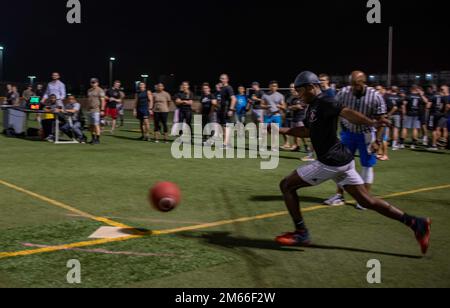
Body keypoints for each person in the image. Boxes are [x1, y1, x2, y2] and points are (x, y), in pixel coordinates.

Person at [276, 71, 431, 256]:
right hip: (342, 160)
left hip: (330, 162)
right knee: (367, 201)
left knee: (286, 185)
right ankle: (416, 223)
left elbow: (347, 113)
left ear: (311, 87)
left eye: (300, 91)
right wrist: (280, 129)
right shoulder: (312, 106)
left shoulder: (326, 101)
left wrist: (372, 123)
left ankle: (301, 233)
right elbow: (307, 132)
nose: (298, 95)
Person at [324, 71, 386, 210]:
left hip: (367, 135)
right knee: (341, 165)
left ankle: (365, 199)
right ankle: (339, 195)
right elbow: (334, 111)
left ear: (363, 82)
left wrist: (378, 141)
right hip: (348, 133)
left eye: (356, 84)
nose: (353, 87)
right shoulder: (344, 93)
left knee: (367, 165)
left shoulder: (375, 96)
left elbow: (382, 120)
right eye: (351, 84)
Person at [402, 85, 430, 150]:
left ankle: (402, 143)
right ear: (416, 89)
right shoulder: (419, 96)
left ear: (411, 89)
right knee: (415, 129)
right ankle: (413, 144)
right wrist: (422, 95)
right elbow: (426, 102)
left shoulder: (408, 95)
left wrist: (404, 113)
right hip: (417, 114)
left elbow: (404, 104)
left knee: (405, 128)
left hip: (409, 113)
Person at [261, 81, 286, 151]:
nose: (273, 87)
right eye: (272, 86)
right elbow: (261, 105)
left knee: (275, 131)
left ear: (277, 87)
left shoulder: (280, 95)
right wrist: (267, 106)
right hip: (267, 115)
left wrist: (280, 106)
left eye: (275, 86)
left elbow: (284, 106)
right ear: (269, 87)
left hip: (277, 115)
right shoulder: (264, 95)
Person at [217, 74, 237, 149]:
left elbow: (234, 99)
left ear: (227, 79)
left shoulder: (229, 88)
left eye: (223, 78)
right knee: (224, 127)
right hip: (223, 110)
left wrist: (231, 109)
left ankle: (226, 144)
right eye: (220, 78)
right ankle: (226, 143)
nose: (221, 80)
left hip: (227, 110)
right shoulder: (222, 88)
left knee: (226, 127)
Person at [427, 85, 449, 150]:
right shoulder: (444, 96)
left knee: (435, 129)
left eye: (442, 89)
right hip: (444, 115)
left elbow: (447, 106)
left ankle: (434, 145)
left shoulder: (443, 97)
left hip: (440, 115)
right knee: (443, 129)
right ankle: (441, 144)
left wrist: (443, 112)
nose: (441, 90)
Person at [87, 78, 106, 145]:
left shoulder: (100, 90)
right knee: (91, 126)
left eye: (94, 82)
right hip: (89, 110)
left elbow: (102, 101)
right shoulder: (89, 90)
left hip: (96, 110)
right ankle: (93, 139)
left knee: (96, 125)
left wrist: (102, 110)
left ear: (97, 83)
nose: (93, 83)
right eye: (92, 82)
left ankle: (97, 139)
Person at [384, 86, 403, 150]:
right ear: (397, 90)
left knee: (387, 129)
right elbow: (401, 107)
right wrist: (403, 114)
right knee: (396, 129)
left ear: (391, 90)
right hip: (396, 114)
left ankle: (385, 142)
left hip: (388, 114)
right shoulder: (399, 97)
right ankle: (394, 145)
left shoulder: (386, 97)